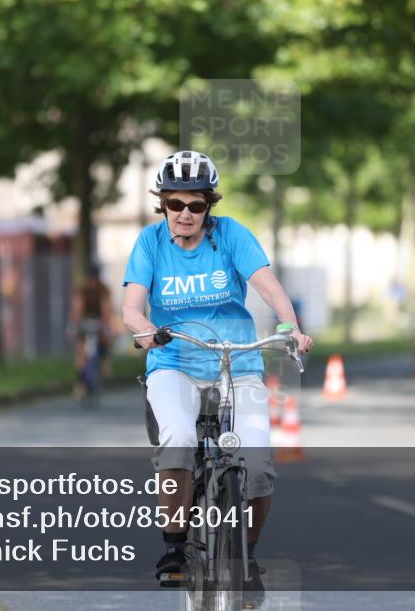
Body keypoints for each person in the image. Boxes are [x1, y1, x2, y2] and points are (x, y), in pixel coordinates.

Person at [121, 150, 313, 603]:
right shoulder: (150, 243)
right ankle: (174, 549)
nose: (185, 214)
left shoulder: (231, 236)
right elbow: (132, 305)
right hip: (174, 364)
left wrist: (289, 327)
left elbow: (267, 285)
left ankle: (246, 555)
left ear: (209, 206)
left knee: (260, 468)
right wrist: (146, 331)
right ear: (162, 203)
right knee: (178, 440)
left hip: (237, 364)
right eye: (175, 204)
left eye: (196, 205)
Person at [68, 264, 117, 403]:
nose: (92, 281)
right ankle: (81, 382)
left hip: (98, 321)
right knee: (81, 350)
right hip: (84, 321)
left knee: (105, 338)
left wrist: (108, 326)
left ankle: (105, 359)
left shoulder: (103, 290)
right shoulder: (81, 289)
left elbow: (106, 308)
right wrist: (73, 326)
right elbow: (77, 308)